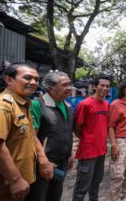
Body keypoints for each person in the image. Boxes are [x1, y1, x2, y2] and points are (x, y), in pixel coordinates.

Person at [0, 63, 54, 200]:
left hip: (22, 184)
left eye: (36, 79)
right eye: (27, 78)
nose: (33, 82)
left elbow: (31, 134)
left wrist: (43, 160)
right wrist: (15, 179)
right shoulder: (3, 106)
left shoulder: (23, 104)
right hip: (6, 186)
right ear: (9, 80)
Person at [26, 71, 74, 201]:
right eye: (65, 85)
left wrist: (69, 154)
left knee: (55, 195)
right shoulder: (37, 104)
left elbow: (66, 131)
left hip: (61, 161)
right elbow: (32, 136)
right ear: (50, 88)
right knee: (39, 196)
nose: (69, 88)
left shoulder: (67, 105)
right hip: (43, 163)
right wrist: (43, 162)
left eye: (70, 84)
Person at [73, 75, 111, 201]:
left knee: (96, 184)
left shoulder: (106, 104)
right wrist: (88, 139)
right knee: (82, 186)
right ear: (95, 86)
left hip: (101, 151)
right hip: (88, 152)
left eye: (107, 86)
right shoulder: (85, 104)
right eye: (102, 85)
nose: (105, 88)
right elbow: (77, 127)